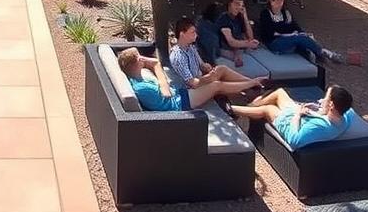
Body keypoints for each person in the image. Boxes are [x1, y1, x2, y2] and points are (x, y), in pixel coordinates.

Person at [117, 48, 264, 112]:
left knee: (220, 71)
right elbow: (166, 93)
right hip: (179, 104)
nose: (142, 58)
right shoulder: (140, 87)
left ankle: (253, 87)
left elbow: (164, 84)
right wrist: (156, 66)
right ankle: (252, 85)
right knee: (216, 85)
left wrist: (155, 65)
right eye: (139, 57)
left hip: (180, 94)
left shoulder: (139, 74)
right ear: (135, 63)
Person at [227, 85, 355, 148]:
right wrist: (319, 110)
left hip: (291, 124)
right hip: (303, 115)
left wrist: (298, 115)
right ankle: (249, 105)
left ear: (332, 105)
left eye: (325, 98)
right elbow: (349, 112)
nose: (321, 100)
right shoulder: (344, 118)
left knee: (268, 109)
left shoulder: (320, 127)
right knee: (279, 93)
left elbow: (294, 140)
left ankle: (230, 109)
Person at [169, 18, 265, 96]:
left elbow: (202, 65)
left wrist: (207, 67)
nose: (196, 35)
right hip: (190, 91)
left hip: (199, 80)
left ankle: (252, 83)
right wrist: (209, 78)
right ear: (182, 34)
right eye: (192, 32)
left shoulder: (190, 47)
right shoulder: (178, 56)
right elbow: (192, 83)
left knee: (221, 69)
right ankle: (252, 84)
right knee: (216, 84)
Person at [257, 0, 346, 64]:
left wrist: (301, 32)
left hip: (287, 38)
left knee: (304, 36)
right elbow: (272, 32)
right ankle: (323, 52)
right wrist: (289, 32)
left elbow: (294, 26)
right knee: (298, 38)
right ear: (271, 1)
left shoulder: (285, 12)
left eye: (282, 1)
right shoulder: (265, 14)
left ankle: (312, 54)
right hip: (273, 42)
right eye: (278, 1)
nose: (280, 4)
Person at [218, 0, 259, 66]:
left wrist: (245, 17)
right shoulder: (224, 18)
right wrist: (248, 43)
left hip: (240, 47)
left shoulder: (239, 17)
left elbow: (250, 37)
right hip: (226, 48)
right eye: (236, 4)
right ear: (230, 4)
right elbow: (231, 42)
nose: (238, 7)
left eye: (241, 5)